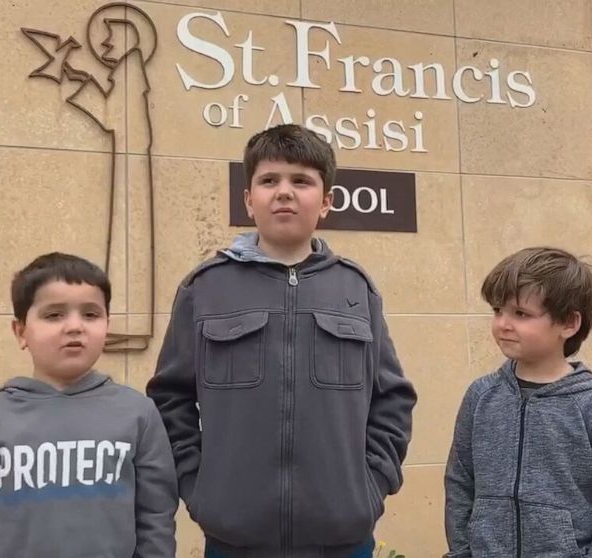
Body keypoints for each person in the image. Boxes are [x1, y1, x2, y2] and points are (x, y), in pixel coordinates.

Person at [147, 124, 417, 558]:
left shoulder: (356, 289)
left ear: (327, 202)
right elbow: (170, 398)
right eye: (269, 180)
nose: (284, 192)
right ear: (248, 200)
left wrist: (369, 488)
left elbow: (393, 399)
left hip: (342, 539)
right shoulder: (205, 288)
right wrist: (199, 490)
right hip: (234, 541)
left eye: (302, 181)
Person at [0, 252, 177, 558]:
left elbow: (156, 519)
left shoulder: (139, 414)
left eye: (91, 314)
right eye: (54, 315)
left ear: (107, 324)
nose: (75, 326)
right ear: (21, 331)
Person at [444, 246, 592, 557]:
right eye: (498, 310)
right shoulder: (481, 396)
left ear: (569, 323)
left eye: (521, 313)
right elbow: (460, 484)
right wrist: (462, 551)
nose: (503, 324)